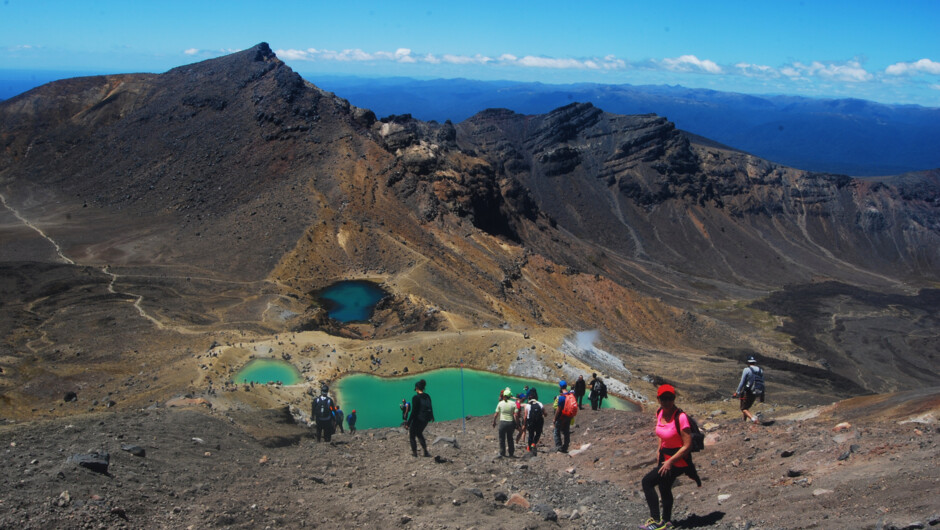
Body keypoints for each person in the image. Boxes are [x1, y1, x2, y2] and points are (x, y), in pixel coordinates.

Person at [639, 384, 702, 530]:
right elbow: (662, 435)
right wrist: (658, 450)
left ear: (674, 399)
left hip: (678, 461)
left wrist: (670, 462)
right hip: (665, 457)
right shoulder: (660, 412)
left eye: (670, 398)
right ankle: (666, 522)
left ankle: (655, 521)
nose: (667, 401)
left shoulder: (681, 417)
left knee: (647, 482)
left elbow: (687, 445)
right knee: (664, 487)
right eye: (663, 398)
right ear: (658, 399)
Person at [406, 379, 434, 457]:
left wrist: (408, 423)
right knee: (419, 433)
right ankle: (425, 452)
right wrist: (432, 416)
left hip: (418, 419)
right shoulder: (427, 396)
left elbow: (414, 412)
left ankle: (415, 453)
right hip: (426, 420)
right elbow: (430, 407)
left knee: (412, 435)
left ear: (417, 388)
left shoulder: (416, 397)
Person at [733, 356, 765, 424]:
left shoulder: (746, 370)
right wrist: (762, 395)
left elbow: (742, 382)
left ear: (748, 362)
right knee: (746, 407)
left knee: (743, 409)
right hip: (756, 391)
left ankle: (754, 419)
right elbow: (762, 383)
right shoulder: (760, 370)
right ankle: (744, 421)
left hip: (748, 391)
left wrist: (737, 392)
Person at [493, 388, 518, 457]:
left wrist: (494, 422)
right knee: (510, 438)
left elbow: (496, 414)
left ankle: (502, 453)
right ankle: (511, 453)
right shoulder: (513, 404)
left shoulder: (500, 403)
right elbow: (515, 415)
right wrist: (517, 424)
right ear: (510, 396)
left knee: (502, 439)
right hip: (510, 423)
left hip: (502, 423)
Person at [553, 380, 574, 453]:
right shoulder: (570, 395)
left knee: (556, 431)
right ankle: (565, 446)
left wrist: (554, 418)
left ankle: (559, 446)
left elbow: (558, 409)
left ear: (560, 387)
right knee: (566, 431)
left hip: (561, 416)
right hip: (569, 416)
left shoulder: (561, 397)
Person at [525, 388, 547, 454]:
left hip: (530, 422)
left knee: (530, 434)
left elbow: (525, 416)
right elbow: (545, 414)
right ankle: (534, 443)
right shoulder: (540, 404)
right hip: (539, 422)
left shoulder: (528, 405)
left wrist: (524, 424)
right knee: (538, 434)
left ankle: (529, 448)